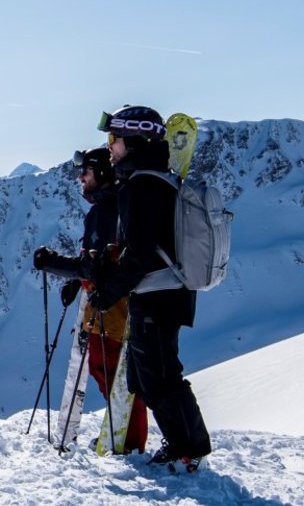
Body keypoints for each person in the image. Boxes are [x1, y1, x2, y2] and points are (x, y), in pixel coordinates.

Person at [87, 104, 213, 471]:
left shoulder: (142, 184)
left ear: (134, 140)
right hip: (163, 292)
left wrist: (110, 291)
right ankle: (184, 445)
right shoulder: (153, 179)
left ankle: (188, 449)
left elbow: (140, 253)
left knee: (159, 376)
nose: (109, 146)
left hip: (159, 294)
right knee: (146, 377)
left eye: (114, 138)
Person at [31, 147, 148, 454]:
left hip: (109, 308)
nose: (80, 177)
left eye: (87, 171)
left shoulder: (103, 212)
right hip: (122, 303)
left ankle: (128, 442)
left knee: (108, 370)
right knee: (117, 372)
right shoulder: (122, 205)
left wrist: (52, 263)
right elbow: (101, 261)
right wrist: (77, 280)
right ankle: (127, 438)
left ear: (103, 174)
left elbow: (92, 266)